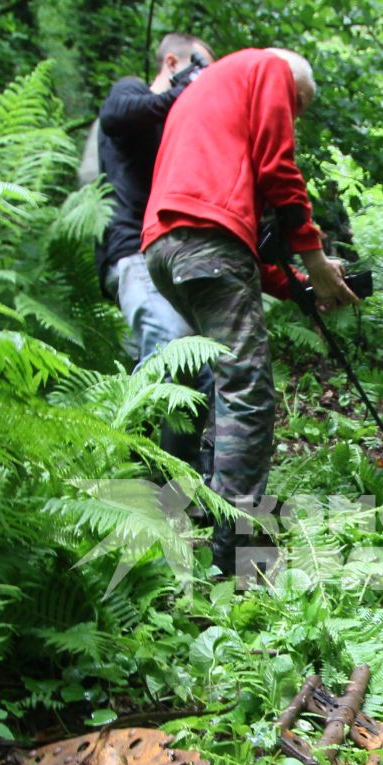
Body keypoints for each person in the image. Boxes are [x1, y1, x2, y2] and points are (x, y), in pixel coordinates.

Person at [143, 47, 357, 578]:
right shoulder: (269, 69)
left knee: (216, 385)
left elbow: (248, 253)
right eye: (299, 108)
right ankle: (237, 555)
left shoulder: (208, 95)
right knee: (248, 391)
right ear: (296, 87)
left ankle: (192, 512)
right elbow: (279, 166)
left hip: (166, 249)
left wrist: (303, 287)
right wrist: (314, 253)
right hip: (207, 245)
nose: (294, 117)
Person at [92, 32, 215, 470]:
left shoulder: (169, 128)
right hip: (131, 253)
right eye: (196, 67)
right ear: (171, 62)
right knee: (172, 351)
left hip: (162, 258)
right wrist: (189, 83)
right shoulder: (132, 93)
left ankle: (177, 485)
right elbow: (117, 115)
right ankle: (135, 486)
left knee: (197, 370)